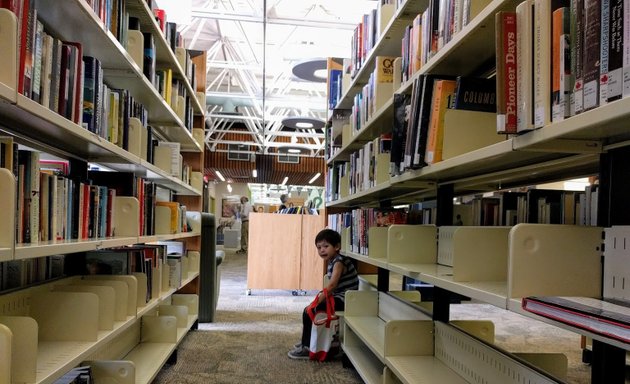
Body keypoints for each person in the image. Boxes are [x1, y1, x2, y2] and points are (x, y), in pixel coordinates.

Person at [287, 229, 359, 359]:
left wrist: (318, 300)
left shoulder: (339, 262)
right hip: (341, 296)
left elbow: (332, 285)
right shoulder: (334, 260)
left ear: (336, 246)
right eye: (319, 247)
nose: (322, 250)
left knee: (312, 309)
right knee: (307, 310)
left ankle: (307, 347)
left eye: (326, 246)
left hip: (347, 299)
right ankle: (306, 342)